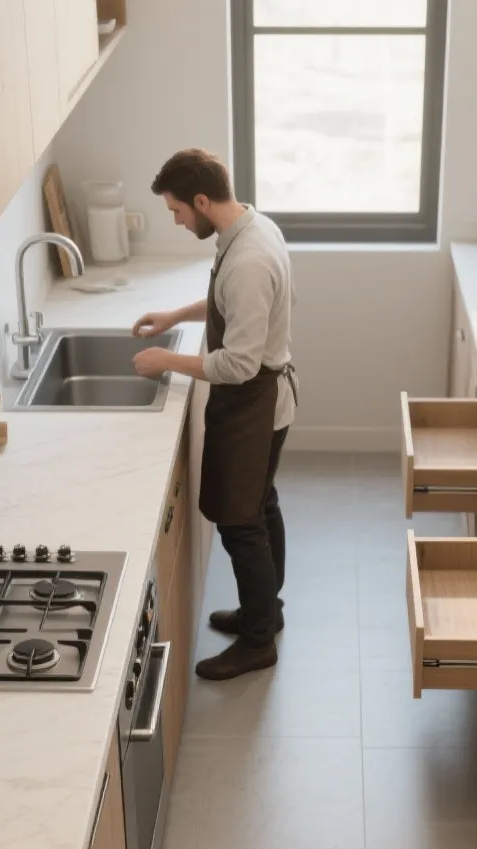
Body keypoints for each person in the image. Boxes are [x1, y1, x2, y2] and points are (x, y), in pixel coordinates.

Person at [131, 149, 297, 681]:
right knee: (260, 505)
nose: (178, 222)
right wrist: (176, 316)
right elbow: (229, 304)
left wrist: (167, 362)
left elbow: (240, 363)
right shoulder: (250, 227)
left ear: (202, 201)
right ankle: (264, 611)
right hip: (261, 401)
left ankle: (258, 642)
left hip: (255, 403)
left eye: (178, 211)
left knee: (241, 522)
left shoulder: (249, 260)